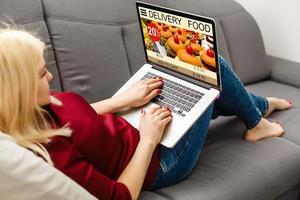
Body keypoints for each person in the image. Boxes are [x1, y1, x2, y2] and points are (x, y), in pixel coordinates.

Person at [0, 27, 292, 200]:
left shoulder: (31, 108)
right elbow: (120, 195)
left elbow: (74, 117)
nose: (50, 77)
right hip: (158, 162)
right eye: (41, 73)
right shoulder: (48, 156)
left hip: (135, 126)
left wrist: (122, 101)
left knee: (199, 91)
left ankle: (259, 106)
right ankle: (256, 120)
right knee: (208, 70)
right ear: (19, 89)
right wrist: (148, 140)